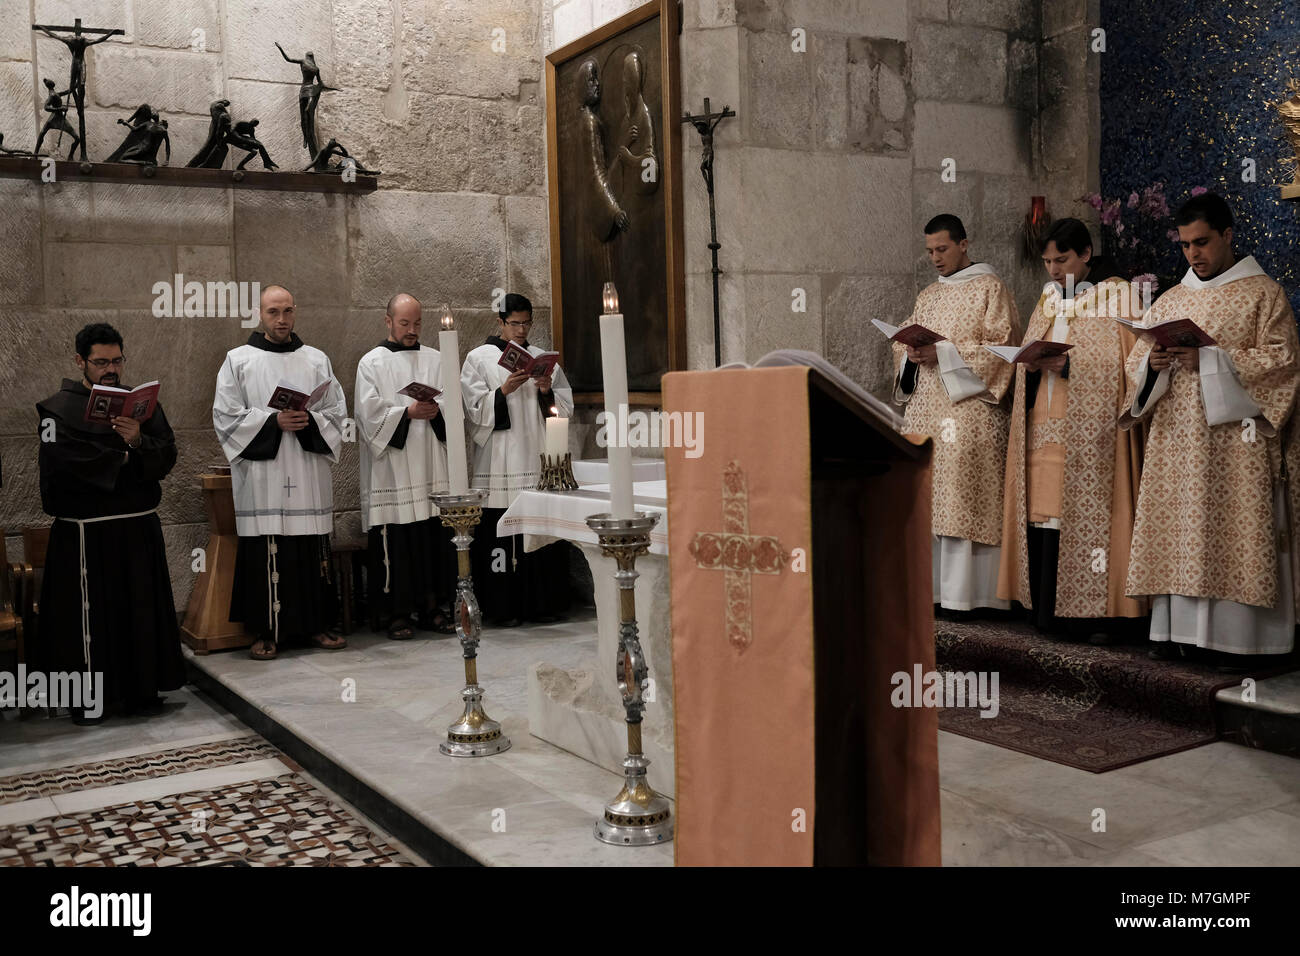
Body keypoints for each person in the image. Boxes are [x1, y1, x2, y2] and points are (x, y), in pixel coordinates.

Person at [1120, 192, 1299, 669]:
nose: (1193, 254)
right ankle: (1180, 634)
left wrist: (1212, 360)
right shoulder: (1170, 300)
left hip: (1235, 451)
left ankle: (1240, 643)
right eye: (1184, 246)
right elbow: (1136, 367)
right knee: (1181, 531)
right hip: (1176, 446)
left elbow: (1282, 365)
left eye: (1202, 243)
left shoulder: (1265, 294)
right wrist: (1152, 366)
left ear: (1227, 236)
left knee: (1228, 532)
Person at [997, 218, 1147, 642]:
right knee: (1044, 514)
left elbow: (1131, 366)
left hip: (1092, 433)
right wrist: (1027, 362)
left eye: (1061, 259)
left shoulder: (1121, 296)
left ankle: (1096, 616)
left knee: (1087, 514)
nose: (1052, 270)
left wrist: (1071, 365)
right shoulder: (1048, 299)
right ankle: (1046, 610)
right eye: (1046, 261)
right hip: (1043, 422)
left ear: (1085, 254)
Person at [35, 323, 184, 722]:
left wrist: (136, 440)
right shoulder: (56, 411)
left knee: (139, 612)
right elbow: (65, 461)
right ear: (80, 361)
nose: (110, 369)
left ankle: (141, 692)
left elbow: (167, 454)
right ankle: (92, 699)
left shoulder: (142, 405)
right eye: (101, 362)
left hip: (137, 530)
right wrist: (127, 459)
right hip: (86, 535)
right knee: (94, 621)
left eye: (116, 360)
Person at [893, 214, 1020, 614]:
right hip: (926, 412)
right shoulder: (928, 295)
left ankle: (970, 595)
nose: (935, 258)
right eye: (929, 251)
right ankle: (930, 591)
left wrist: (943, 352)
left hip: (970, 414)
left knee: (963, 494)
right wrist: (910, 354)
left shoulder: (991, 288)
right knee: (928, 493)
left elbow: (1003, 349)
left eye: (942, 249)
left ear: (964, 244)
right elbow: (906, 340)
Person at [213, 285, 348, 660]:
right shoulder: (238, 360)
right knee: (266, 551)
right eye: (274, 312)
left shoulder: (316, 359)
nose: (282, 319)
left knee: (308, 550)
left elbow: (337, 413)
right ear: (260, 314)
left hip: (306, 472)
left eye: (288, 311)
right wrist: (273, 422)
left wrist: (308, 421)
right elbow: (225, 418)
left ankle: (316, 625)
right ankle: (264, 631)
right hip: (264, 478)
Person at [463, 293, 575, 626]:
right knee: (500, 538)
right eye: (515, 323)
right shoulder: (479, 359)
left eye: (526, 322)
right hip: (499, 461)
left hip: (535, 455)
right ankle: (502, 607)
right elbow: (471, 410)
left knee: (536, 535)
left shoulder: (542, 358)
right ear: (500, 322)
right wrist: (503, 392)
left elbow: (563, 410)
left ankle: (541, 604)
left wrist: (545, 390)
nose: (521, 329)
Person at [354, 293, 458, 639]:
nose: (412, 330)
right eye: (404, 323)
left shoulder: (436, 358)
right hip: (393, 469)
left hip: (430, 464)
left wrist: (436, 410)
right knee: (397, 543)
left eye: (416, 323)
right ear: (388, 322)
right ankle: (395, 614)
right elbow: (368, 417)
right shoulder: (372, 363)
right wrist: (408, 413)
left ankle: (432, 607)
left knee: (429, 539)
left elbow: (456, 409)